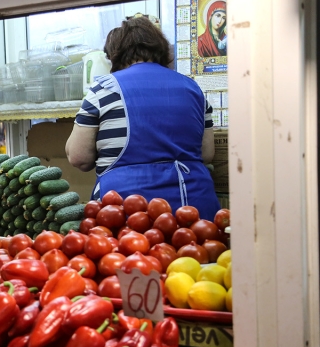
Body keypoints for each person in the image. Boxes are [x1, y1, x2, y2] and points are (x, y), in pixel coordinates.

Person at [65, 16, 219, 220]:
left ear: (114, 55)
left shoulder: (104, 89)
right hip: (193, 209)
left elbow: (79, 158)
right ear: (162, 50)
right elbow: (207, 153)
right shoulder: (193, 89)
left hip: (128, 212)